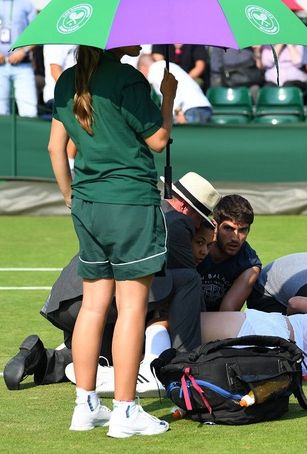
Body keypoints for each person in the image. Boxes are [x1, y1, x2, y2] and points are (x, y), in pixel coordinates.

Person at [47, 44, 177, 437]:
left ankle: (86, 406)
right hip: (130, 204)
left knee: (93, 307)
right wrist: (168, 97)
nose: (141, 39)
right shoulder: (128, 79)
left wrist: (70, 196)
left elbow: (56, 148)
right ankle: (124, 410)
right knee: (132, 308)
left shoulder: (67, 79)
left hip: (88, 204)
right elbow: (158, 140)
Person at [3, 171, 220, 392]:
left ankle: (41, 358)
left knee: (107, 356)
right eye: (200, 219)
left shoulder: (138, 206)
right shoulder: (178, 222)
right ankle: (187, 368)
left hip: (65, 301)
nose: (197, 227)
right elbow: (187, 292)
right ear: (185, 208)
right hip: (100, 299)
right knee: (188, 281)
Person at [198, 194, 261, 312]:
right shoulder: (194, 246)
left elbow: (227, 312)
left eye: (243, 230)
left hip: (218, 322)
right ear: (215, 225)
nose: (235, 238)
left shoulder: (249, 265)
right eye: (228, 228)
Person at [138, 55, 213, 124]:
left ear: (142, 68)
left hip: (190, 110)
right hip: (203, 107)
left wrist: (178, 113)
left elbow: (171, 93)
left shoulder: (155, 71)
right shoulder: (165, 66)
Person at [0, 0, 37, 117]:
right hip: (0, 67)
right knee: (1, 112)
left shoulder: (27, 4)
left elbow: (36, 34)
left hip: (23, 66)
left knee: (29, 112)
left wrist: (24, 51)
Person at [42, 44, 77, 110]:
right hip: (60, 99)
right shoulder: (55, 40)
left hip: (73, 97)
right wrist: (72, 96)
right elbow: (55, 70)